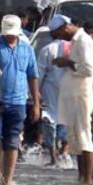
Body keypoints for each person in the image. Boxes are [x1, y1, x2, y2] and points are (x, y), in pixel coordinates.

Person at [0, 15, 40, 185]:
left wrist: (36, 103)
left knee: (12, 141)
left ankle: (8, 180)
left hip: (18, 102)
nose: (10, 36)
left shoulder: (27, 49)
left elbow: (32, 76)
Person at [49, 14, 93, 185]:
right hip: (72, 97)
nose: (61, 38)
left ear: (66, 27)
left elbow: (88, 69)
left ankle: (88, 181)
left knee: (84, 137)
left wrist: (66, 63)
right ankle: (81, 178)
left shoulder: (84, 41)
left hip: (81, 97)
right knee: (75, 141)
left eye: (60, 34)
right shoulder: (76, 41)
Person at [37, 33, 70, 166]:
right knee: (65, 120)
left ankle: (53, 157)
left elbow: (39, 74)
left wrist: (35, 93)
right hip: (67, 90)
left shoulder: (47, 49)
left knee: (50, 120)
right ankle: (64, 152)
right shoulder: (73, 47)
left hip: (50, 90)